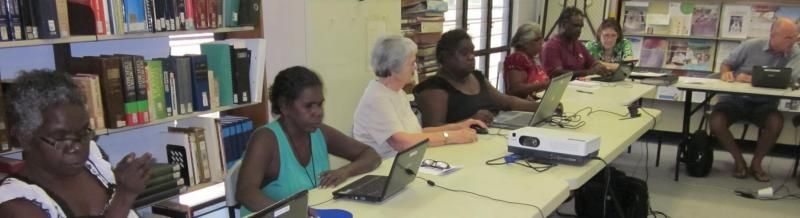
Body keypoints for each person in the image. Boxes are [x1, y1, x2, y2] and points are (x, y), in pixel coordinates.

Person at [0, 70, 150, 218]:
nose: (77, 146)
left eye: (83, 132)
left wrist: (124, 181)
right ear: (24, 138)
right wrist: (123, 197)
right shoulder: (15, 204)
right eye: (60, 137)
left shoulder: (93, 162)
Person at [236, 66, 381, 215]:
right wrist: (293, 213)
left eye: (320, 104)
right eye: (308, 106)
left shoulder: (320, 132)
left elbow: (371, 156)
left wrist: (345, 171)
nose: (318, 112)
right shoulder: (265, 139)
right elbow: (245, 192)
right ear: (284, 106)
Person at [353, 36, 486, 158]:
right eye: (411, 63)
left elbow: (416, 133)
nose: (415, 68)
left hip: (405, 162)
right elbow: (402, 143)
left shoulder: (396, 92)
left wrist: (457, 127)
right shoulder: (377, 98)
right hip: (383, 169)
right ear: (394, 68)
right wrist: (451, 137)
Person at [711, 17, 800, 182]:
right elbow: (726, 64)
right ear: (773, 36)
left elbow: (793, 78)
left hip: (764, 103)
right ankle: (739, 161)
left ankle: (756, 164)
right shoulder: (751, 45)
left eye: (795, 37)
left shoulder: (795, 51)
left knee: (775, 122)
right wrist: (727, 73)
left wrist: (752, 79)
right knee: (716, 122)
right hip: (735, 99)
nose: (793, 41)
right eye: (789, 37)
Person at [413, 29, 539, 127]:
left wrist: (540, 107)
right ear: (445, 57)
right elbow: (432, 130)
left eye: (472, 52)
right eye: (464, 53)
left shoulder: (477, 76)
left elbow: (507, 102)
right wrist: (470, 121)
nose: (471, 57)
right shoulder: (434, 87)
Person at [541, 7, 611, 78]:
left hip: (580, 86)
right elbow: (556, 74)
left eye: (581, 27)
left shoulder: (578, 44)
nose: (579, 30)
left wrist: (599, 67)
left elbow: (592, 63)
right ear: (564, 24)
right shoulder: (552, 46)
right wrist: (588, 72)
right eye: (575, 26)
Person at [503, 23, 550, 99]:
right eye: (538, 39)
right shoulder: (517, 58)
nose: (542, 42)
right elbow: (515, 89)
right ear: (526, 43)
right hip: (522, 106)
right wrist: (544, 84)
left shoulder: (531, 57)